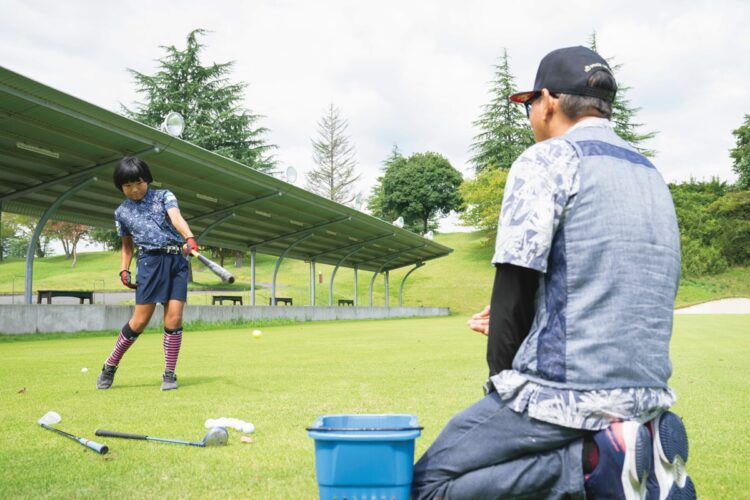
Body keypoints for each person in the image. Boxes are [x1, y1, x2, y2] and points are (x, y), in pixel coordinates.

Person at [411, 46, 695, 499]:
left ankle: (593, 463)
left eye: (528, 105)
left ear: (547, 101)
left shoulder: (547, 159)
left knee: (428, 484)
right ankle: (632, 456)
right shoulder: (650, 173)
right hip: (648, 395)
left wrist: (502, 388)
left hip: (566, 395)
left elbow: (513, 290)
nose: (530, 116)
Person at [96, 156, 199, 391]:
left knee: (174, 318)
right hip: (150, 264)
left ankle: (169, 374)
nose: (134, 190)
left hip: (177, 261)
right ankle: (110, 365)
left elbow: (176, 217)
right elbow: (127, 246)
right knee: (140, 321)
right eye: (127, 186)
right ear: (120, 187)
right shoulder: (121, 212)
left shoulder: (164, 196)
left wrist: (189, 237)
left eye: (138, 183)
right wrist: (124, 269)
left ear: (147, 180)